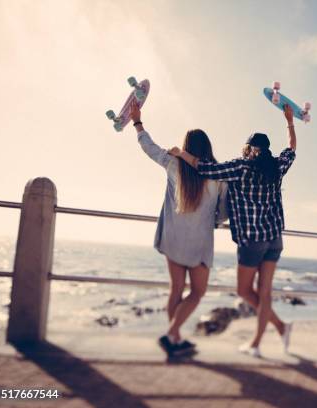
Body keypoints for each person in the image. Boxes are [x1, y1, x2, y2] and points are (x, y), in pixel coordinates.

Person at [169, 104, 297, 357]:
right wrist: (289, 121)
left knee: (243, 291)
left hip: (252, 241)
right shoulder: (277, 167)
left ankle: (275, 330)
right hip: (274, 238)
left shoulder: (240, 167)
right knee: (265, 292)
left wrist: (181, 153)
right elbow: (291, 149)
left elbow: (205, 169)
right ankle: (265, 338)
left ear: (249, 148)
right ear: (267, 150)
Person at [129, 101, 228, 357]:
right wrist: (214, 222)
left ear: (186, 147)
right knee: (197, 292)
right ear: (208, 148)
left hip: (173, 239)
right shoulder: (219, 175)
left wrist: (137, 122)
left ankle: (173, 337)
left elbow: (148, 147)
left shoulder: (173, 163)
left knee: (176, 290)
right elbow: (224, 212)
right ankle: (173, 335)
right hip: (200, 243)